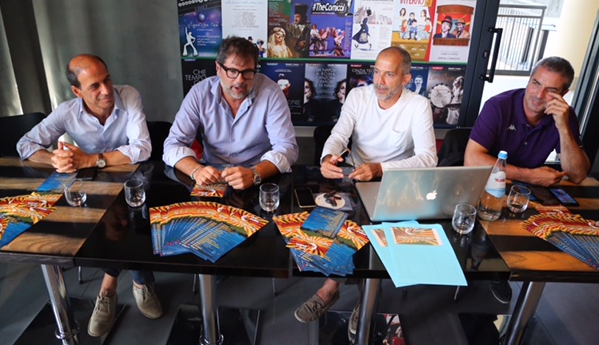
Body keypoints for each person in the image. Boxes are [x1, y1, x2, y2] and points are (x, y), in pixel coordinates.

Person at [295, 47, 437, 334]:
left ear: (406, 79)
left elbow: (427, 159)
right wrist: (327, 157)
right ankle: (341, 289)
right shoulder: (358, 96)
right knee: (340, 225)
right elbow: (339, 134)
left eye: (389, 74)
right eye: (376, 72)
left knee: (376, 234)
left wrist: (381, 168)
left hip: (395, 182)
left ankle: (358, 296)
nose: (379, 82)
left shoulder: (418, 105)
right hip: (355, 176)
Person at [16, 54, 160, 337]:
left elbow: (142, 149)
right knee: (101, 223)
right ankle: (140, 281)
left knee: (130, 219)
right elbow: (25, 144)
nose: (106, 90)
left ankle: (111, 286)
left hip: (134, 183)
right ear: (77, 91)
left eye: (107, 79)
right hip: (94, 189)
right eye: (94, 86)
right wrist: (55, 159)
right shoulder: (67, 112)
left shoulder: (128, 95)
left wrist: (91, 159)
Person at [163, 36, 298, 190]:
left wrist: (254, 173)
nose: (239, 80)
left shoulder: (271, 93)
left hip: (258, 176)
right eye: (232, 71)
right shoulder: (199, 93)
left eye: (247, 72)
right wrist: (196, 170)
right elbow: (172, 145)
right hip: (211, 176)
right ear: (218, 68)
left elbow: (287, 148)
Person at [465, 56, 590, 187]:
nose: (539, 95)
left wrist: (563, 128)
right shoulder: (498, 106)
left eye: (551, 90)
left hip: (526, 191)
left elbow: (577, 175)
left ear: (563, 93)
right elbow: (471, 160)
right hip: (487, 184)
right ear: (529, 80)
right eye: (536, 83)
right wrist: (530, 176)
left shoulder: (563, 115)